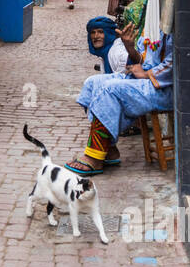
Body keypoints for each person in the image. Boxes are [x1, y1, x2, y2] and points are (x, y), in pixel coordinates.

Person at [67, 31, 174, 174]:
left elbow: (177, 61)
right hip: (145, 80)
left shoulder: (174, 26)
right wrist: (130, 47)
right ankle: (109, 148)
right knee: (92, 83)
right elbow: (143, 61)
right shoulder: (154, 21)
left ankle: (95, 155)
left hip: (164, 87)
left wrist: (147, 74)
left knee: (109, 90)